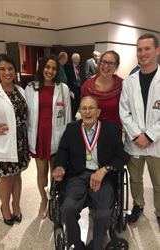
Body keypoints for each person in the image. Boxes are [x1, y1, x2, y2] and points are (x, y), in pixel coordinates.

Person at [52, 96, 130, 250]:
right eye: (84, 108)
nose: (88, 112)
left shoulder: (112, 130)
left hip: (103, 177)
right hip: (77, 176)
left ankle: (96, 245)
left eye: (91, 108)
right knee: (67, 207)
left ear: (98, 111)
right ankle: (76, 243)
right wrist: (59, 165)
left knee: (103, 214)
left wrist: (105, 170)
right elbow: (63, 150)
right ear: (80, 112)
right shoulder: (72, 129)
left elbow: (123, 156)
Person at [119, 33, 160, 228]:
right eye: (139, 49)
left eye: (147, 49)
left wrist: (150, 136)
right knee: (135, 179)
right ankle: (138, 206)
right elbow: (124, 112)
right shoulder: (129, 82)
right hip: (135, 143)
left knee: (159, 182)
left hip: (157, 143)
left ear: (157, 50)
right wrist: (138, 136)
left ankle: (159, 212)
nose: (142, 53)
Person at [25, 54, 71, 219]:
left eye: (53, 68)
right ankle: (43, 200)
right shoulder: (31, 87)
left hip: (57, 135)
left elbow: (68, 117)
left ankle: (53, 199)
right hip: (39, 136)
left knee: (55, 171)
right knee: (41, 171)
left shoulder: (63, 88)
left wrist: (67, 141)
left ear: (57, 70)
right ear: (42, 68)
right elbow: (26, 114)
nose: (50, 71)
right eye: (47, 67)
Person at [0, 54, 30, 226]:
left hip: (21, 142)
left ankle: (16, 206)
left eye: (10, 68)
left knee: (17, 176)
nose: (7, 72)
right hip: (2, 143)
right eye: (2, 69)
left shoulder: (21, 91)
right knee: (6, 178)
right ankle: (5, 208)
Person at [81, 50, 123, 129]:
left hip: (113, 131)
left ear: (116, 67)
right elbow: (83, 110)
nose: (106, 66)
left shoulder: (122, 85)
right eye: (103, 62)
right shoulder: (88, 86)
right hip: (91, 131)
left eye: (111, 63)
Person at [64, 53, 82, 121]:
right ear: (73, 59)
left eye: (79, 59)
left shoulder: (78, 66)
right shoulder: (68, 66)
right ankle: (71, 116)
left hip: (78, 85)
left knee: (78, 101)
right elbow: (67, 77)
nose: (78, 61)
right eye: (77, 59)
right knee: (72, 102)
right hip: (71, 86)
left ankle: (74, 115)